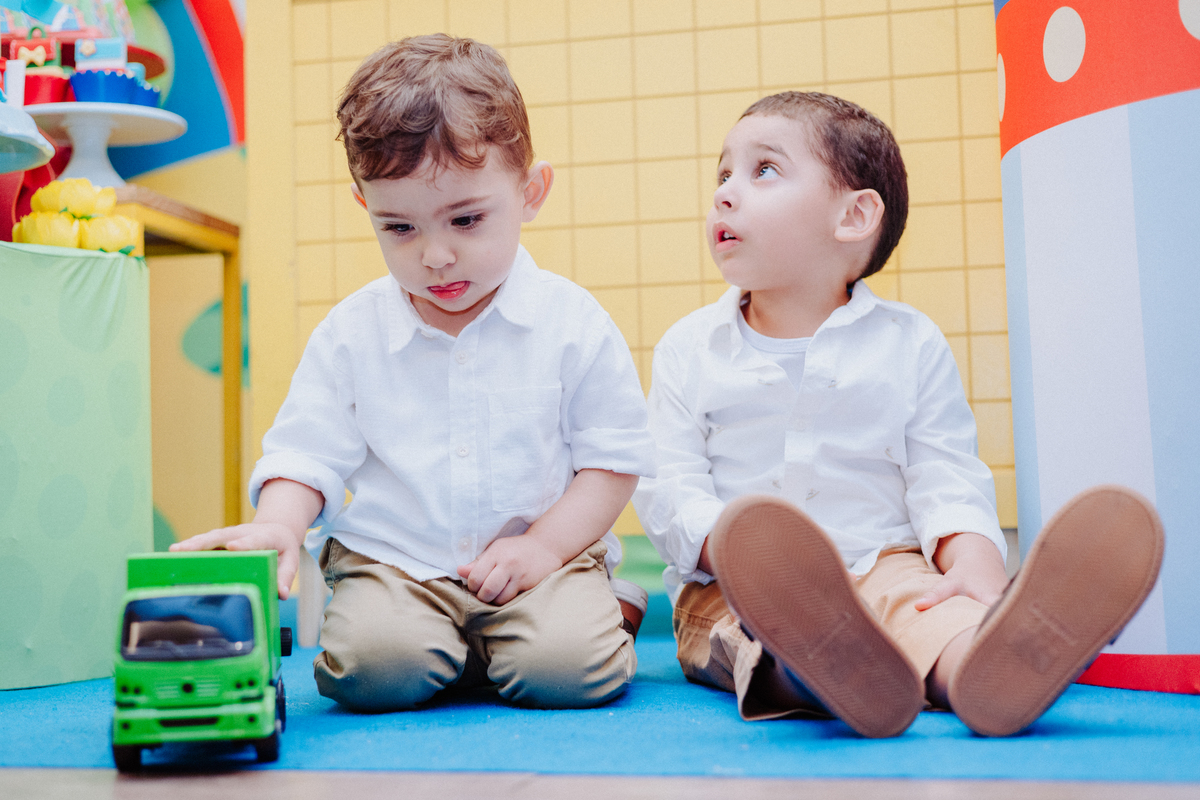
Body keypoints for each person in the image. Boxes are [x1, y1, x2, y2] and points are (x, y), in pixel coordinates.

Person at [631, 91, 1164, 738]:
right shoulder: (692, 348)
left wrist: (973, 564)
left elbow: (943, 473)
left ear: (853, 216)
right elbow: (669, 486)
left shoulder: (909, 342)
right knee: (744, 640)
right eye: (723, 174)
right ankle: (814, 670)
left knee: (937, 618)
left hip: (888, 564)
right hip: (737, 589)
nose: (724, 193)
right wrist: (740, 552)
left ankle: (987, 665)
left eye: (762, 170)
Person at [173, 34, 656, 712]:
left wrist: (544, 548)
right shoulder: (350, 334)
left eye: (466, 219)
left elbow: (611, 462)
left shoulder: (571, 322)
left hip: (541, 565)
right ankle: (455, 647)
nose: (435, 255)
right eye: (398, 228)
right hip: (395, 566)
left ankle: (597, 609)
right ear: (364, 207)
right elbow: (306, 453)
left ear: (531, 192)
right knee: (373, 675)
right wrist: (281, 524)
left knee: (569, 674)